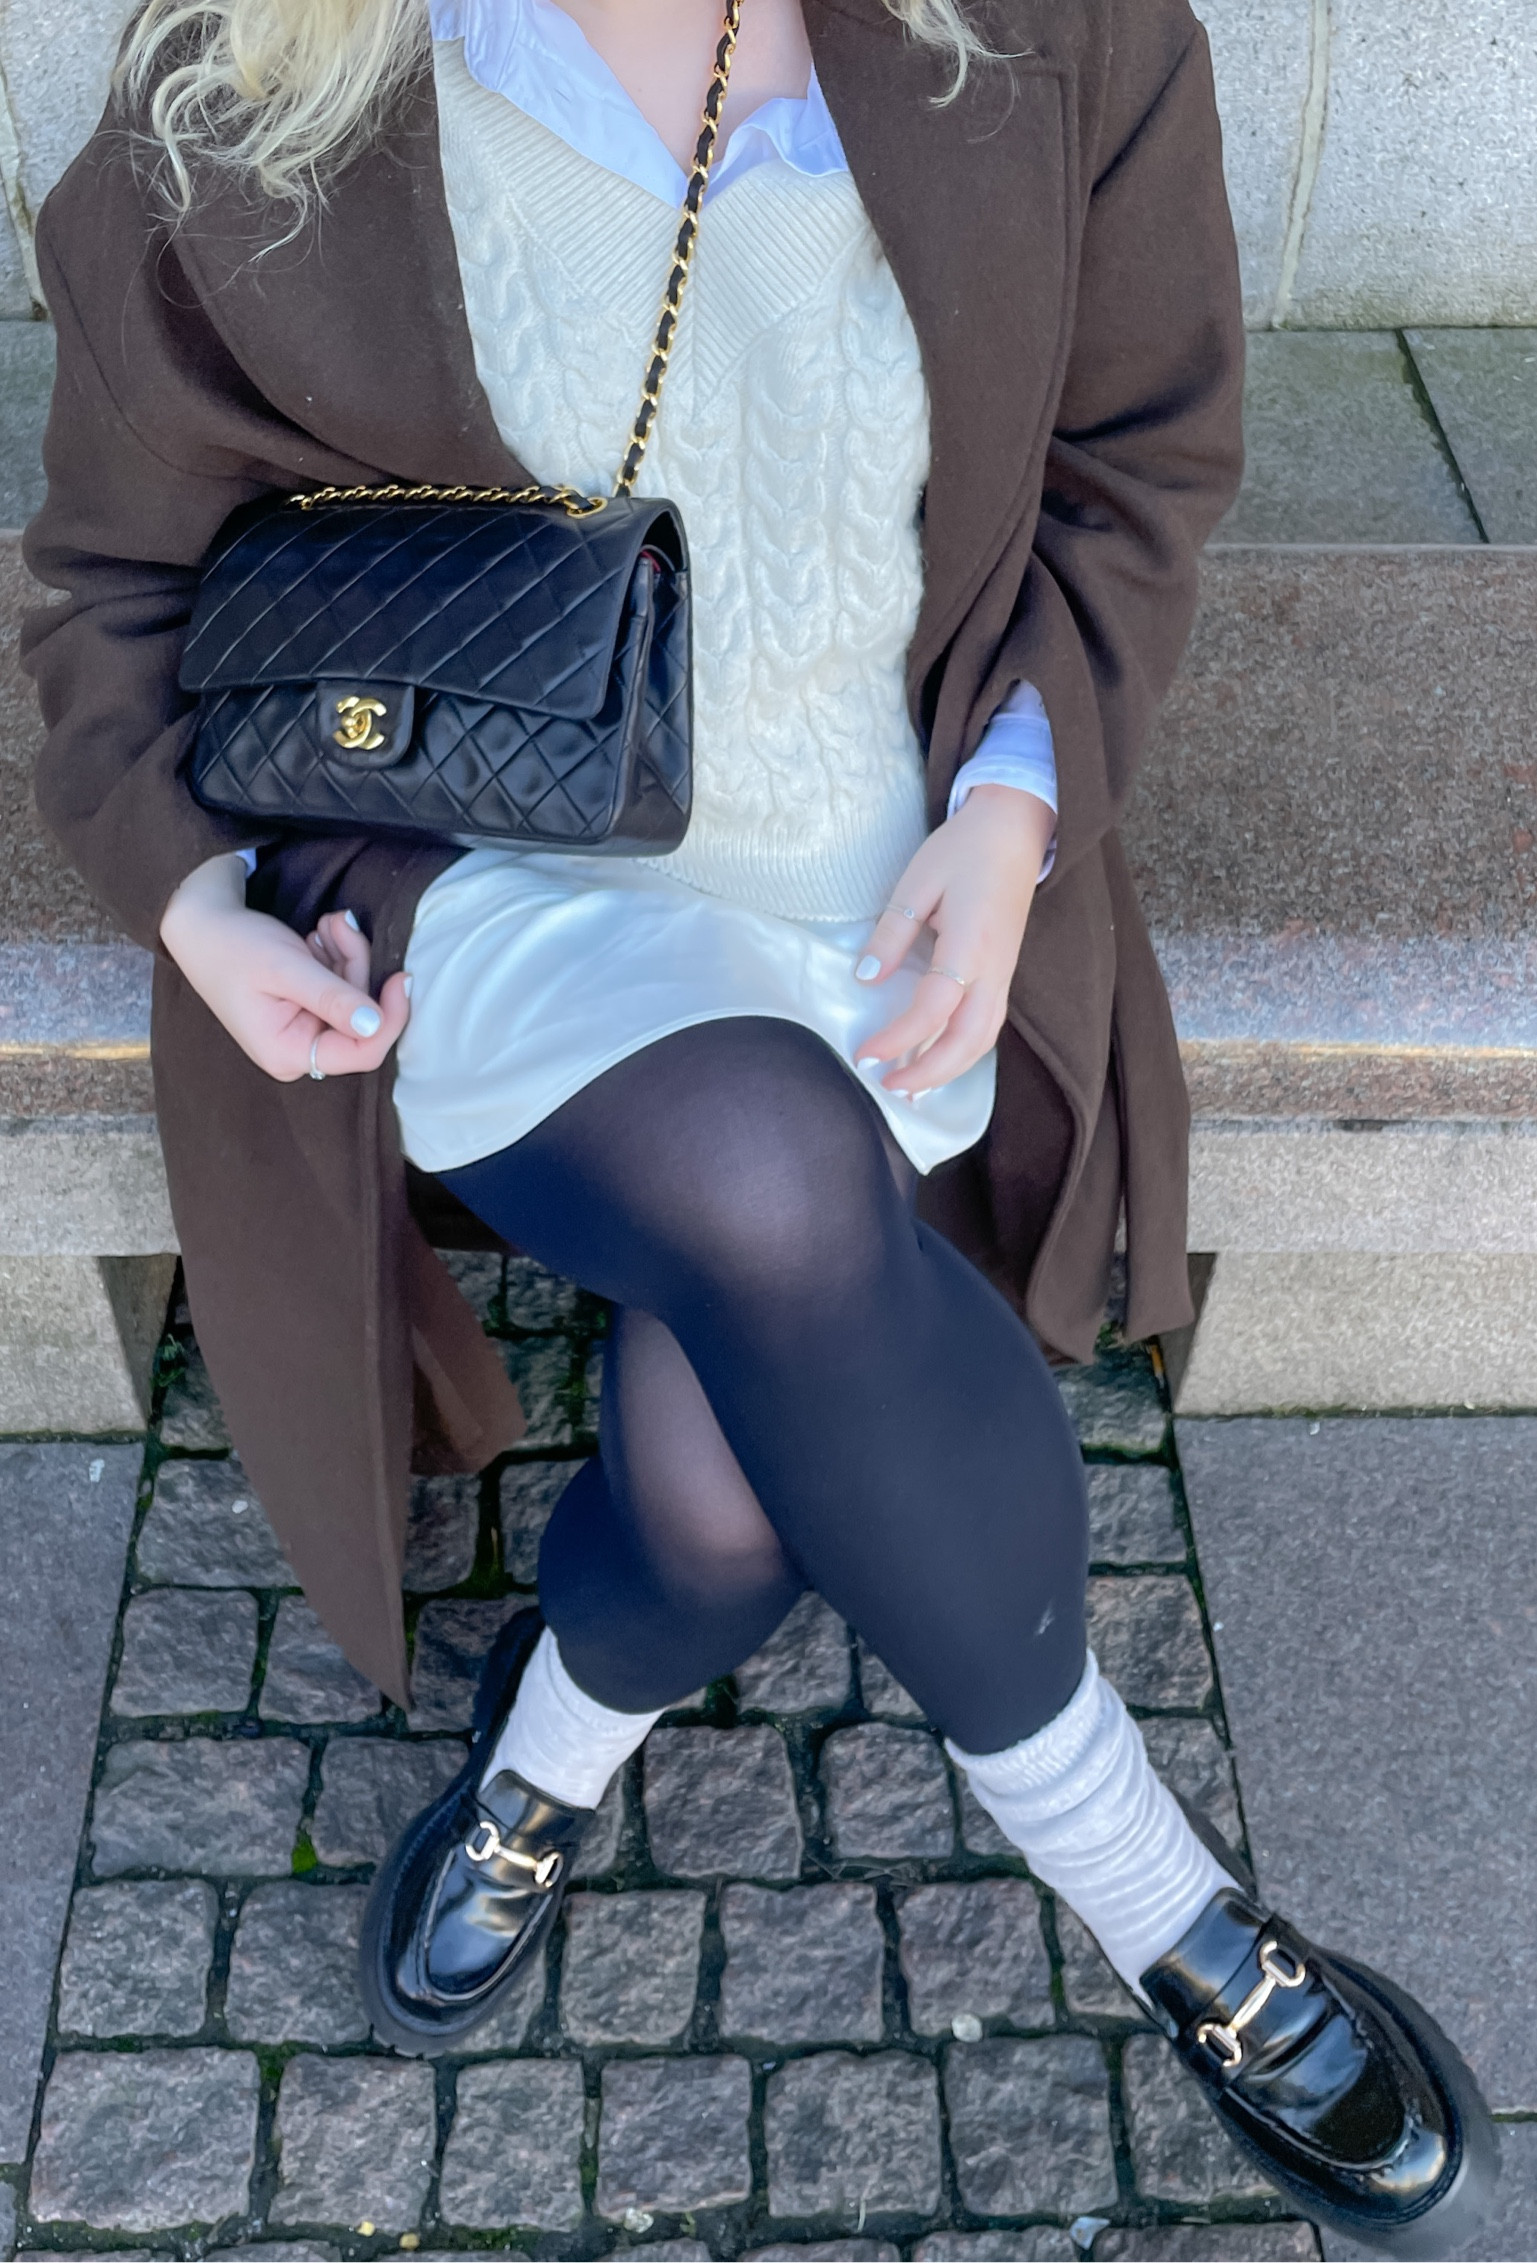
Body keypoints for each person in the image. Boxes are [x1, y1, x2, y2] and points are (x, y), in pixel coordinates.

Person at [23, 0, 1494, 2249]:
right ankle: (1161, 1899)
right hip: (483, 878)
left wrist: (1012, 813)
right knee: (779, 1174)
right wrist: (197, 900)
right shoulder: (255, 90)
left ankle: (543, 1753)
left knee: (723, 1523)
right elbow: (113, 588)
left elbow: (1138, 465)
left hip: (882, 865)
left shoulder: (1061, 35)